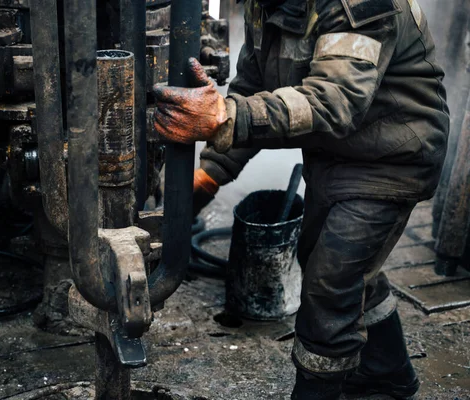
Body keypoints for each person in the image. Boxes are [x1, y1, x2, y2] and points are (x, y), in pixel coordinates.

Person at [153, 0, 449, 398]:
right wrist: (209, 176)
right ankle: (386, 374)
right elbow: (253, 89)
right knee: (339, 269)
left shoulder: (356, 5)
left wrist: (224, 117)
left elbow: (333, 101)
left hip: (391, 161)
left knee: (329, 287)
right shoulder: (269, 3)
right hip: (337, 154)